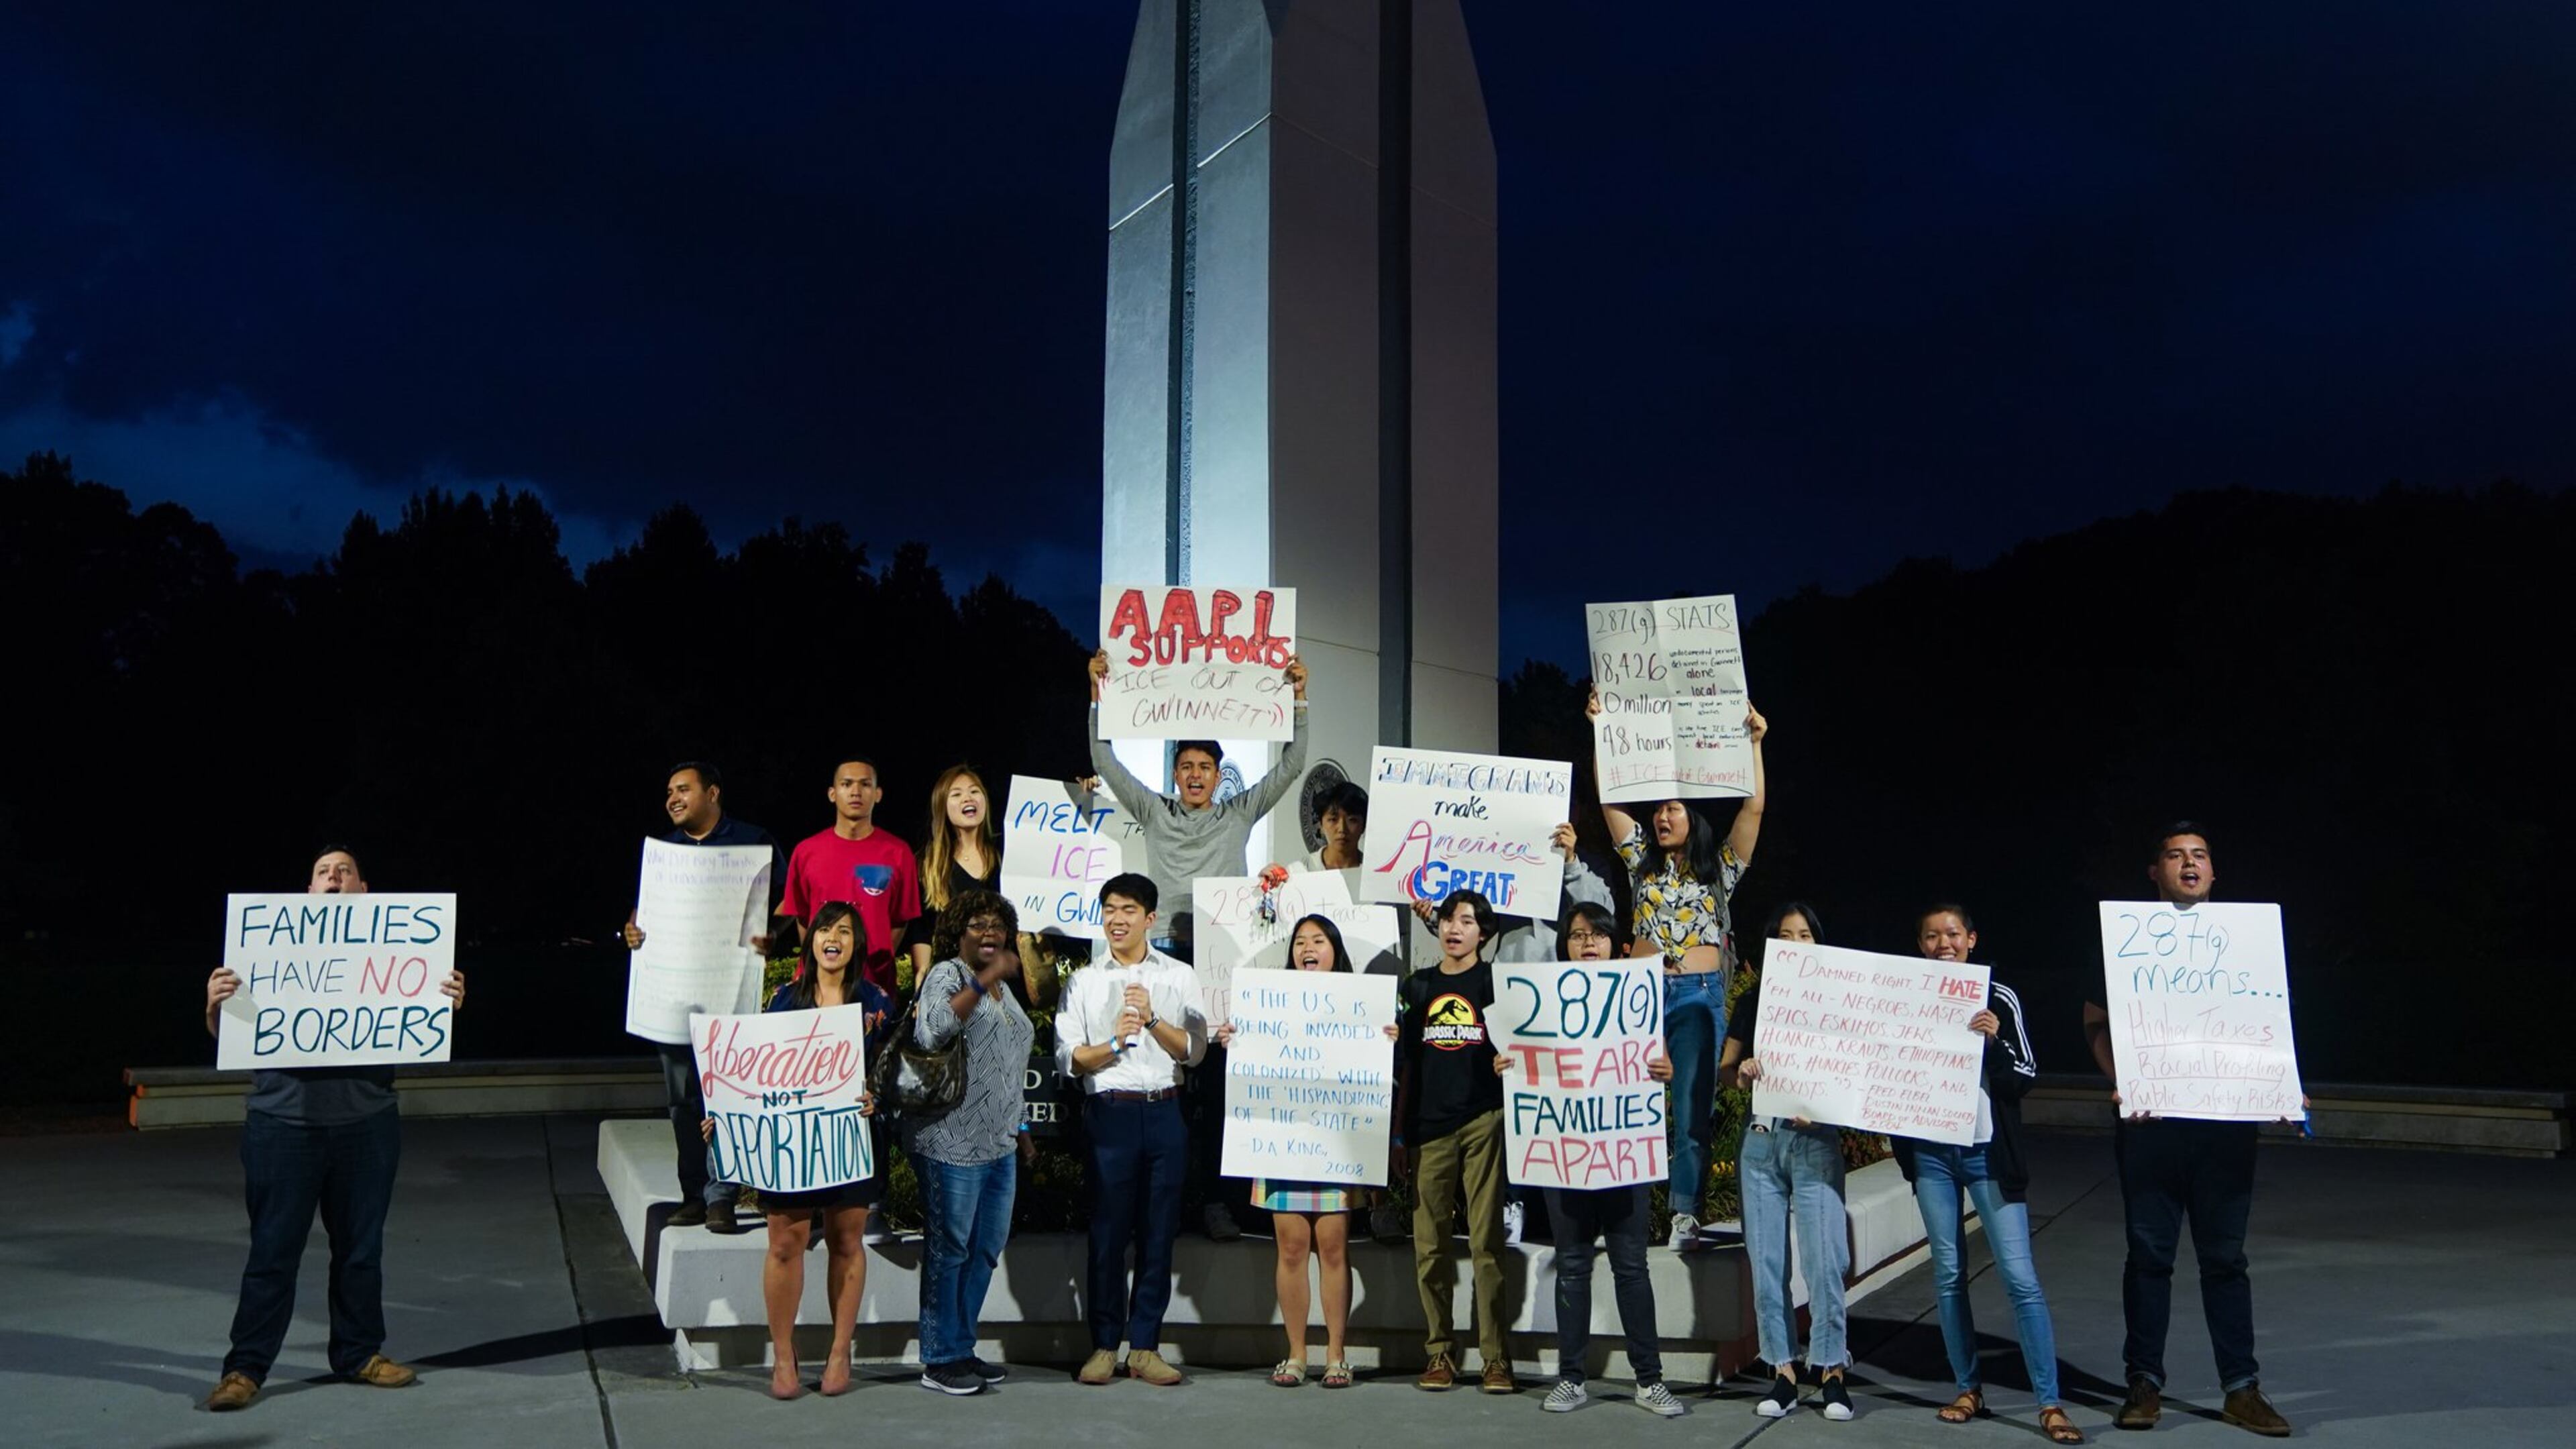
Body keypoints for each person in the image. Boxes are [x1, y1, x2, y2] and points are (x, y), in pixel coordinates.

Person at [201, 845, 468, 1412]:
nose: (333, 877)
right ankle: (244, 1369)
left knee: (360, 1251)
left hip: (365, 1125)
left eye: (344, 871)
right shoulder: (267, 948)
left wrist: (444, 1002)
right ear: (307, 893)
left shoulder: (398, 951)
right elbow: (235, 1032)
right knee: (273, 1251)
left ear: (365, 891)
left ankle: (359, 1354)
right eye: (323, 871)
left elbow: (416, 1024)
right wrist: (215, 1004)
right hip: (281, 1125)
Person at [1087, 650, 1310, 1240]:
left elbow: (1292, 766)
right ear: (1175, 774)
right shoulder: (1154, 811)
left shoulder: (1238, 814)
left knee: (1218, 1079)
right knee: (1163, 1078)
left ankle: (1217, 1201)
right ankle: (1167, 1205)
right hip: (1161, 950)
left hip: (1220, 955)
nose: (1193, 774)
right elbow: (1103, 760)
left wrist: (1300, 698)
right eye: (1184, 765)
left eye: (1204, 766)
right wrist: (1097, 693)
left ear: (1218, 774)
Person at [2081, 824, 2292, 1437]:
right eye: (2175, 856)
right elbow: (2095, 1025)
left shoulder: (2246, 943)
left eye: (2199, 855)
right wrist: (2122, 1080)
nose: (2189, 863)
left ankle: (2241, 1388)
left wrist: (2280, 1088)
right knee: (2149, 1257)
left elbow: (2267, 1024)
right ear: (2156, 872)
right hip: (2152, 1127)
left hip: (2225, 1130)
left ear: (2214, 872)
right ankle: (2143, 1384)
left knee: (2225, 1259)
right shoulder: (2125, 940)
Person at [1892, 905, 2082, 1445]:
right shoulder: (1905, 997)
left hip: (1986, 1155)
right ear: (1921, 944)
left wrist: (1994, 1043)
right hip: (1931, 1153)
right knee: (1949, 1275)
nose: (1943, 943)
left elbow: (2025, 1077)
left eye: (1952, 933)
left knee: (2019, 1277)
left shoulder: (1999, 996)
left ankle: (2049, 1402)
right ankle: (1968, 1387)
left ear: (1972, 940)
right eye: (1931, 935)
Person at [1588, 693, 1769, 1248]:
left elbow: (1753, 810)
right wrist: (1602, 730)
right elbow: (1609, 800)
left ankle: (1684, 1214)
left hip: (1698, 996)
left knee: (1691, 1106)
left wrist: (1755, 744)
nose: (1662, 816)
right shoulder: (1639, 859)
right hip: (1637, 995)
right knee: (1627, 1103)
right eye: (1658, 809)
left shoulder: (1722, 871)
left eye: (1674, 809)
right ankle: (1623, 1213)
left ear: (1694, 819)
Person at [704, 900, 890, 1399]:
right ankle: (783, 1358)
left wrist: (879, 1098)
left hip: (849, 1142)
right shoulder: (784, 1001)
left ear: (858, 944)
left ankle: (839, 1351)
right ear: (810, 940)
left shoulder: (877, 1003)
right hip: (790, 1148)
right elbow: (750, 1075)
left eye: (846, 931)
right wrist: (725, 1115)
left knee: (847, 1242)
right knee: (785, 1245)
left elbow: (895, 1076)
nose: (834, 938)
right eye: (826, 928)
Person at [1211, 914, 1399, 1389]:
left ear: (1335, 950)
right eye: (1300, 942)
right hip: (1283, 1148)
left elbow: (1377, 1074)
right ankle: (1296, 1354)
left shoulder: (1360, 1005)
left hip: (1335, 1146)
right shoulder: (1269, 1003)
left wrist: (1385, 1041)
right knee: (1291, 1249)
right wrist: (1237, 1040)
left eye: (1318, 940)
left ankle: (1336, 1354)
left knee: (1334, 1248)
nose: (1308, 948)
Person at [1521, 898, 1683, 1418]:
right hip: (1565, 1157)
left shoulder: (1640, 1002)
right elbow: (1526, 1063)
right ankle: (1571, 1379)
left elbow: (1665, 1060)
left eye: (1597, 934)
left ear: (1615, 944)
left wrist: (1665, 1069)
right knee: (1571, 1267)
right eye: (1576, 935)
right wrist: (1511, 1061)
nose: (1587, 942)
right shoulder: (1542, 1008)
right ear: (1564, 947)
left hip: (1622, 1155)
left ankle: (1649, 1379)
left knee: (1631, 1268)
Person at [1055, 873, 1208, 1387]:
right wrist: (1116, 1044)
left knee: (1159, 1235)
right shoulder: (1083, 980)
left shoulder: (1180, 975)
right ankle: (1104, 1345)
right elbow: (1068, 1059)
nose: (1117, 920)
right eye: (1109, 910)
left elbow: (1196, 1050)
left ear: (1150, 918)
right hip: (1111, 1114)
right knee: (1108, 1233)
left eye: (1128, 910)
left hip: (1165, 1112)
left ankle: (1144, 1346)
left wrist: (1153, 1019)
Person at [621, 761, 782, 1232]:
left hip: (730, 994)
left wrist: (774, 934)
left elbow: (786, 902)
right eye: (669, 791)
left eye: (683, 789)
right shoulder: (662, 853)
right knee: (682, 1101)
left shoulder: (752, 841)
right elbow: (643, 913)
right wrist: (631, 930)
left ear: (713, 793)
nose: (672, 797)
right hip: (672, 998)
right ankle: (693, 1193)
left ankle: (722, 1197)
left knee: (727, 1095)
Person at [1723, 902, 1856, 1421]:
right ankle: (1781, 1370)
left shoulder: (1840, 1003)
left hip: (1816, 1142)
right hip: (1762, 1144)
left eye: (1805, 934)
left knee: (1825, 1263)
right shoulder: (1755, 1000)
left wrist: (1823, 1110)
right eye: (1785, 935)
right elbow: (1728, 1070)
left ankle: (1831, 1373)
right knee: (1768, 1263)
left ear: (1818, 943)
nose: (1796, 942)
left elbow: (1858, 1079)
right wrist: (1744, 1072)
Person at [907, 890, 1039, 1397]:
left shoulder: (1006, 991)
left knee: (984, 1250)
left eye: (998, 926)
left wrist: (1023, 1132)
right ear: (958, 932)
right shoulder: (949, 974)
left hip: (1000, 1144)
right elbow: (932, 1031)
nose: (989, 934)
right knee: (950, 1251)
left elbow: (1010, 1068)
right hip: (950, 1141)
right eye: (978, 925)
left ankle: (960, 1346)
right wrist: (984, 979)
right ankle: (939, 1358)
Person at [1393, 890, 1515, 1395]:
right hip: (1427, 1129)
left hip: (1484, 1121)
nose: (1455, 928)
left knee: (1487, 1244)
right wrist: (1398, 1135)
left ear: (1483, 933)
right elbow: (1402, 1065)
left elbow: (1524, 1043)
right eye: (1448, 919)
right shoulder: (1416, 986)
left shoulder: (1496, 983)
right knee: (1429, 1248)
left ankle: (1495, 1359)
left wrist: (1511, 1062)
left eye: (1467, 921)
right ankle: (1439, 1352)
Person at [777, 756, 922, 994]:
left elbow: (899, 920)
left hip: (875, 989)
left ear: (878, 794)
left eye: (865, 784)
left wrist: (873, 964)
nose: (856, 792)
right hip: (816, 989)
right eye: (846, 784)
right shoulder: (806, 852)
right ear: (832, 794)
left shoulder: (898, 853)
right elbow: (803, 918)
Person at [903, 766, 1043, 1006]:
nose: (968, 798)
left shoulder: (1007, 854)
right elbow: (922, 931)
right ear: (942, 807)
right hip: (956, 989)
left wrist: (1090, 794)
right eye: (956, 794)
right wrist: (921, 984)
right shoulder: (929, 865)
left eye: (974, 791)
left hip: (1007, 986)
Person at [1299, 781, 1368, 872]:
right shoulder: (1301, 871)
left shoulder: (1374, 872)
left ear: (1364, 826)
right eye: (1333, 820)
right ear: (1321, 825)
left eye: (1352, 820)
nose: (1342, 829)